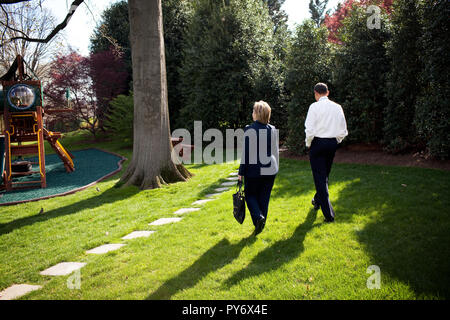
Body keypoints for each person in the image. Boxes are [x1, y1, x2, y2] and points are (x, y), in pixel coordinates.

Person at [305, 83, 348, 223]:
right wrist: (337, 141)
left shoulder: (314, 107)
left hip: (317, 143)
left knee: (320, 178)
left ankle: (329, 215)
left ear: (316, 93)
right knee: (324, 175)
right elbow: (343, 129)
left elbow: (309, 129)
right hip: (331, 144)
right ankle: (317, 200)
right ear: (327, 92)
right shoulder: (337, 107)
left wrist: (308, 143)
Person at [238, 101, 279, 236]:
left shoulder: (249, 129)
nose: (252, 113)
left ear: (257, 114)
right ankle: (260, 225)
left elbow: (246, 153)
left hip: (254, 170)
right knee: (264, 198)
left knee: (250, 195)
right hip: (271, 168)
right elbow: (275, 151)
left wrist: (241, 172)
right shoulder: (272, 129)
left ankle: (258, 219)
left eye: (253, 111)